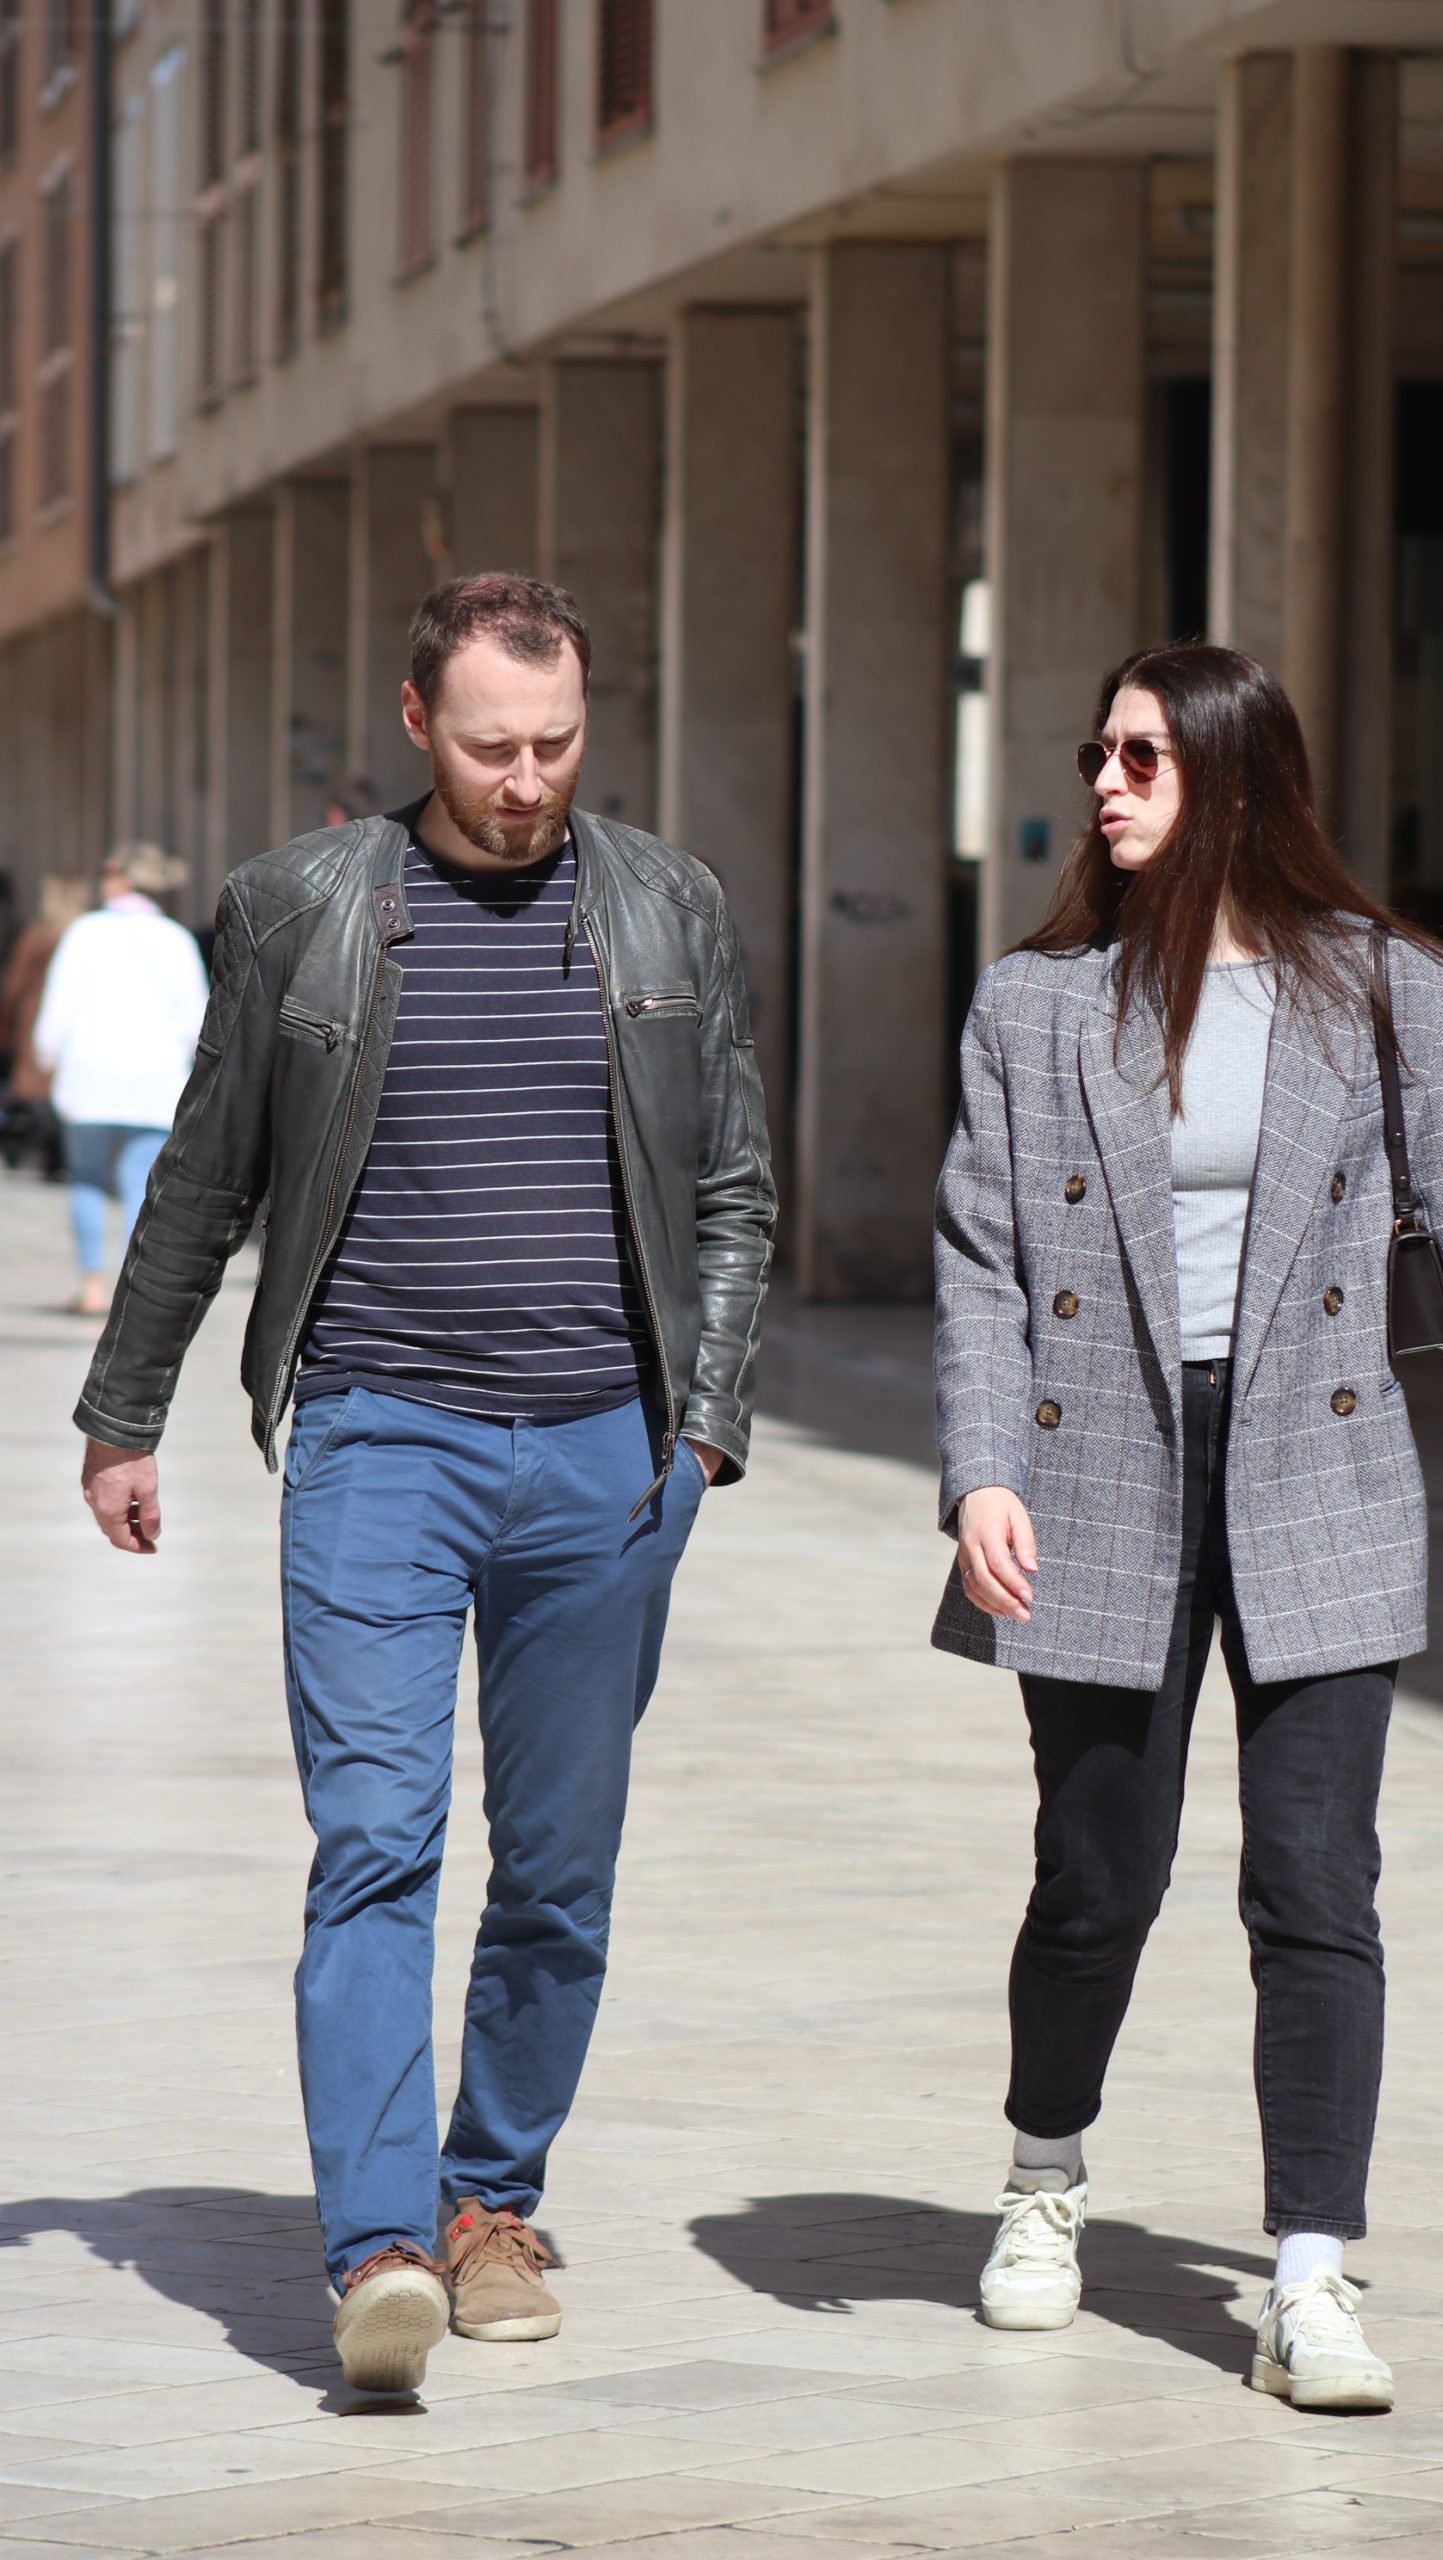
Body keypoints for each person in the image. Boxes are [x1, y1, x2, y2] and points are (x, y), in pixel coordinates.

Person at [72, 573, 776, 2397]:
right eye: (488, 748)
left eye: (555, 744)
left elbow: (731, 1189)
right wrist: (124, 1411)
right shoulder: (301, 907)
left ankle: (491, 2204)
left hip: (608, 1457)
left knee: (559, 1868)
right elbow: (207, 1176)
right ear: (414, 725)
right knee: (377, 1839)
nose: (525, 781)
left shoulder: (669, 903)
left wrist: (701, 1428)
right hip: (379, 1440)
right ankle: (379, 2244)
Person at [932, 644, 1443, 2413]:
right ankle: (1043, 2175)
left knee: (1312, 1884)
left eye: (1140, 756)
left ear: (1229, 776)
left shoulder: (1386, 987)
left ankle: (1307, 2271)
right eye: (1098, 751)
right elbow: (980, 1262)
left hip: (1320, 1466)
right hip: (1097, 1474)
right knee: (1096, 1881)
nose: (1104, 781)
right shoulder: (1035, 1003)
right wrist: (980, 1473)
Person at [33, 846, 207, 1317]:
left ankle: (92, 1284)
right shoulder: (176, 939)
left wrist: (46, 1055)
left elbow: (59, 1004)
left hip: (89, 1076)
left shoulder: (85, 932)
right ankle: (130, 1290)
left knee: (87, 1179)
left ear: (119, 878)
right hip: (155, 1080)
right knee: (140, 1186)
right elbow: (195, 1019)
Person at [0, 874, 90, 1176]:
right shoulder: (89, 932)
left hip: (36, 1018)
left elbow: (16, 983)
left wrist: (7, 1020)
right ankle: (59, 1151)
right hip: (79, 1020)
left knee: (38, 1090)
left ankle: (44, 1150)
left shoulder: (39, 934)